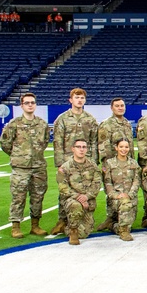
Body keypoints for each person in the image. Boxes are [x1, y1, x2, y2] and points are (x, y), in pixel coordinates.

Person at [49, 88, 99, 236]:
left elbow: (94, 142)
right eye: (76, 97)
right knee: (64, 191)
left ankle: (82, 218)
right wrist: (59, 163)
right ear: (70, 100)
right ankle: (62, 220)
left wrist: (94, 161)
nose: (79, 100)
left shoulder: (90, 119)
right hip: (67, 162)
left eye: (82, 98)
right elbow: (57, 142)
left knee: (85, 188)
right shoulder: (62, 119)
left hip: (86, 163)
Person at [1, 93, 50, 238]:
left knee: (38, 196)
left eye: (32, 102)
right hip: (21, 167)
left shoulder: (42, 124)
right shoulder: (14, 124)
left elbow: (45, 142)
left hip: (38, 166)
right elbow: (5, 144)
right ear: (21, 105)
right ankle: (15, 226)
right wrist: (18, 155)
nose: (30, 105)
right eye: (27, 103)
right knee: (18, 196)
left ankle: (35, 225)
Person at [56, 139, 102, 246]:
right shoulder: (64, 168)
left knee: (84, 233)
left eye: (84, 147)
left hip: (88, 202)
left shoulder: (93, 166)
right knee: (75, 205)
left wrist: (86, 197)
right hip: (72, 201)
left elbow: (97, 184)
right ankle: (73, 231)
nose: (81, 150)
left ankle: (65, 226)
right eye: (78, 147)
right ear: (73, 149)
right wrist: (78, 197)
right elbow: (63, 188)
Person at [101, 138, 140, 241]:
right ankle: (123, 232)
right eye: (121, 147)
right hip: (115, 199)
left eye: (126, 147)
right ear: (116, 148)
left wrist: (130, 195)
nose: (124, 149)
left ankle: (111, 225)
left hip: (130, 198)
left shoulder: (133, 163)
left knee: (129, 223)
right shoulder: (109, 163)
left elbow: (136, 181)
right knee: (125, 225)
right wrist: (116, 195)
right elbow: (107, 183)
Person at [98, 97, 133, 164]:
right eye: (117, 106)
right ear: (111, 108)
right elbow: (104, 148)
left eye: (122, 106)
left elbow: (130, 146)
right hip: (114, 165)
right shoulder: (106, 124)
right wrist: (108, 165)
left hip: (128, 164)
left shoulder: (127, 124)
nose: (120, 108)